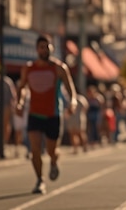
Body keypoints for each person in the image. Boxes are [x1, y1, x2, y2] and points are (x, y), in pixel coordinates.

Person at [16, 35, 77, 194]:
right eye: (41, 47)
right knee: (35, 149)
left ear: (52, 48)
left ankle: (54, 161)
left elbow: (70, 88)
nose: (44, 50)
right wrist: (20, 103)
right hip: (35, 114)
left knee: (51, 151)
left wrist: (73, 102)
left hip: (53, 115)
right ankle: (40, 180)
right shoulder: (28, 68)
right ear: (37, 49)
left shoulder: (59, 68)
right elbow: (22, 88)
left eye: (47, 47)